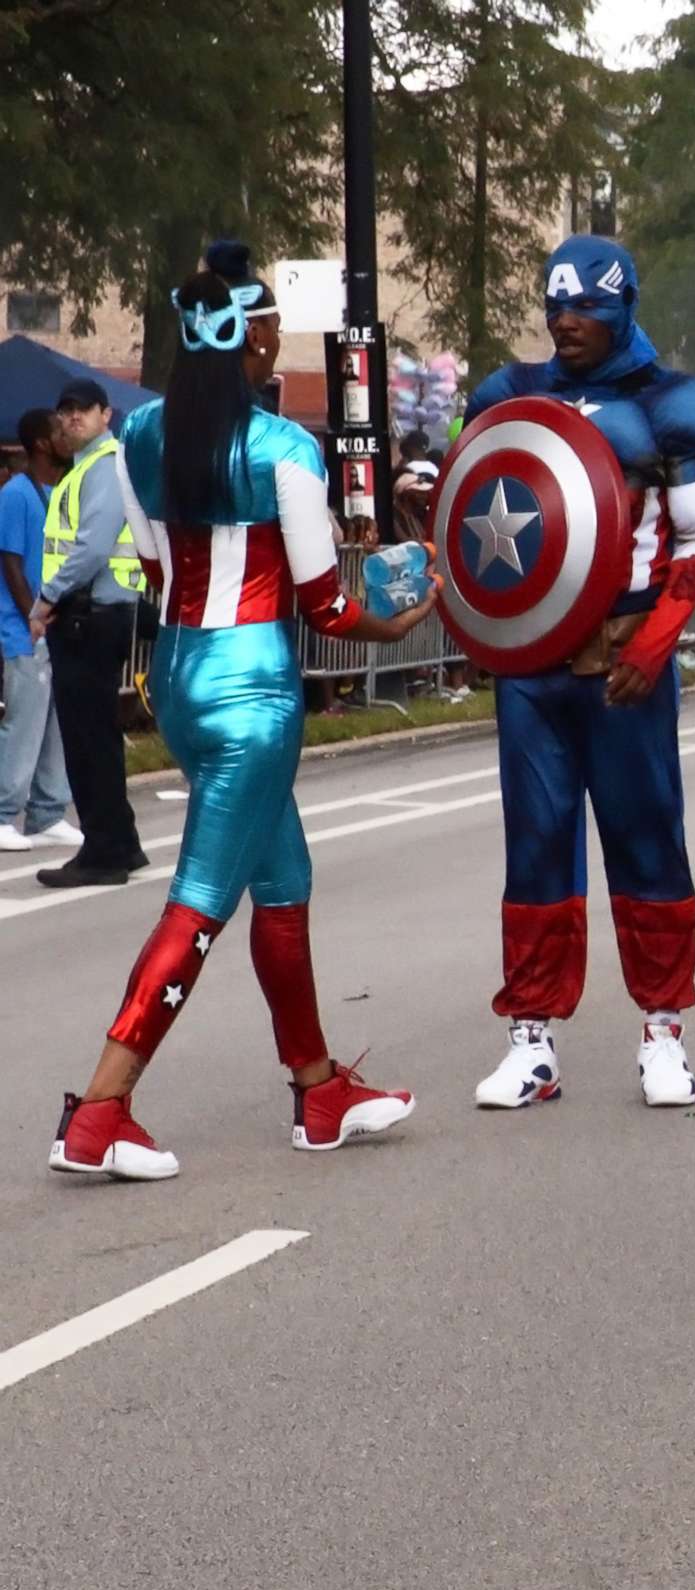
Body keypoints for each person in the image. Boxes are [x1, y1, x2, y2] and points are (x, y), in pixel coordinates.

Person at [49, 252, 435, 1181]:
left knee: (284, 878)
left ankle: (317, 1089)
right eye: (272, 327)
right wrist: (404, 620)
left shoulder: (137, 435)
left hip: (177, 674)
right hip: (254, 688)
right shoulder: (284, 450)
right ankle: (99, 1108)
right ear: (257, 336)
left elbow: (148, 566)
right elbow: (328, 608)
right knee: (202, 900)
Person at [459, 235, 695, 1112]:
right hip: (534, 662)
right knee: (534, 841)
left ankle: (663, 1030)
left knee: (645, 834)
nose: (565, 321)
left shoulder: (676, 404)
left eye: (586, 307)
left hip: (625, 653)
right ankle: (531, 1038)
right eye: (555, 305)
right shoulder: (511, 394)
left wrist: (660, 636)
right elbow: (475, 511)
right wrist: (477, 618)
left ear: (625, 307)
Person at [30, 377, 150, 887]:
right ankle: (120, 842)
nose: (72, 417)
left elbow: (92, 546)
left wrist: (46, 599)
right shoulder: (85, 469)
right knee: (97, 734)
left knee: (87, 738)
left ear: (107, 414)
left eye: (83, 409)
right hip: (92, 614)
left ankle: (102, 852)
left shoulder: (102, 467)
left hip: (87, 615)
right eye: (66, 411)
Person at [0, 408, 79, 852]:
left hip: (51, 627)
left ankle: (48, 811)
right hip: (23, 628)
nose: (67, 434)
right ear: (42, 444)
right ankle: (3, 811)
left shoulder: (58, 491)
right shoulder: (16, 494)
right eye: (58, 430)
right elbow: (10, 561)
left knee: (54, 724)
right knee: (25, 722)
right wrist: (32, 614)